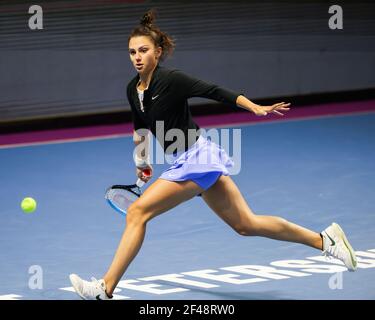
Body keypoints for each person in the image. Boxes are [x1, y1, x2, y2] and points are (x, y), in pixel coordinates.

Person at [69, 10, 357, 300]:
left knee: (137, 212)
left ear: (158, 52)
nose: (137, 57)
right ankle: (325, 240)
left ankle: (105, 288)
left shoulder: (172, 80)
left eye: (143, 50)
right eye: (132, 52)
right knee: (246, 224)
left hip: (198, 158)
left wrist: (254, 107)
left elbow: (215, 91)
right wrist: (142, 163)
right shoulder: (133, 89)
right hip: (184, 161)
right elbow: (141, 129)